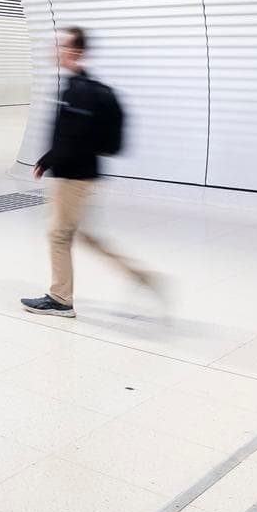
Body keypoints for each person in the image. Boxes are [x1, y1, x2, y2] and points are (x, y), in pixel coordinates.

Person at [21, 26, 156, 317]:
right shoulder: (76, 86)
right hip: (79, 172)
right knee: (82, 235)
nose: (55, 49)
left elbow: (74, 138)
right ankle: (138, 275)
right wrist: (48, 159)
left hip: (74, 175)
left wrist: (48, 161)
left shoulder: (79, 91)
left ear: (77, 51)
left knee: (59, 235)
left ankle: (60, 299)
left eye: (61, 45)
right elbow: (70, 135)